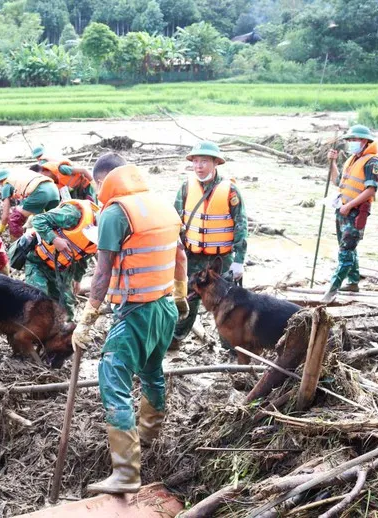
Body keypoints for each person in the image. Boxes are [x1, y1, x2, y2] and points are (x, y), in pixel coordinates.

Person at [71, 153, 188, 494]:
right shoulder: (161, 203)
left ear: (100, 181)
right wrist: (179, 295)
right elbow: (180, 255)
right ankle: (148, 436)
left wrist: (88, 318)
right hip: (164, 307)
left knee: (113, 378)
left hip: (135, 312)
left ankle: (126, 473)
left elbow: (103, 271)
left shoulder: (115, 211)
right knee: (152, 370)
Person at [171, 141, 248, 349]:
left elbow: (241, 225)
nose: (199, 166)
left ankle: (231, 345)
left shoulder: (231, 191)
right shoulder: (186, 188)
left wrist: (239, 261)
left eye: (204, 161)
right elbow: (174, 220)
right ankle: (176, 338)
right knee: (187, 298)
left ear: (215, 163)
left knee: (226, 303)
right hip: (192, 256)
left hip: (220, 259)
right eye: (195, 161)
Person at [322, 125, 378, 303]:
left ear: (364, 141)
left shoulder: (373, 162)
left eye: (353, 140)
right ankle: (354, 281)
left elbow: (371, 190)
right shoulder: (352, 159)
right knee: (348, 247)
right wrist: (332, 162)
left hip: (355, 212)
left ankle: (333, 289)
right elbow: (337, 180)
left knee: (346, 250)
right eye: (349, 140)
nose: (350, 143)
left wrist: (350, 206)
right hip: (342, 209)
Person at [25, 199, 99, 319]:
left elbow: (83, 258)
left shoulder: (100, 240)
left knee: (67, 308)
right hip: (38, 261)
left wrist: (77, 279)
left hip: (62, 269)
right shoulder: (73, 215)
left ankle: (64, 335)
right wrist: (54, 239)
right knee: (37, 299)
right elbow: (38, 220)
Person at [0, 169, 60, 239]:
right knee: (52, 221)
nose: (0, 186)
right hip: (53, 190)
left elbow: (5, 215)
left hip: (39, 192)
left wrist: (2, 227)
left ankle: (17, 245)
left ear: (1, 181)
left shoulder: (6, 184)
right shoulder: (20, 178)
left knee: (13, 219)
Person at [29, 148, 95, 201]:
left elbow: (83, 170)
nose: (43, 178)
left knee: (92, 202)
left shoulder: (62, 169)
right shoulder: (50, 182)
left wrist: (93, 183)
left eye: (42, 176)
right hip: (74, 190)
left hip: (85, 186)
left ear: (45, 170)